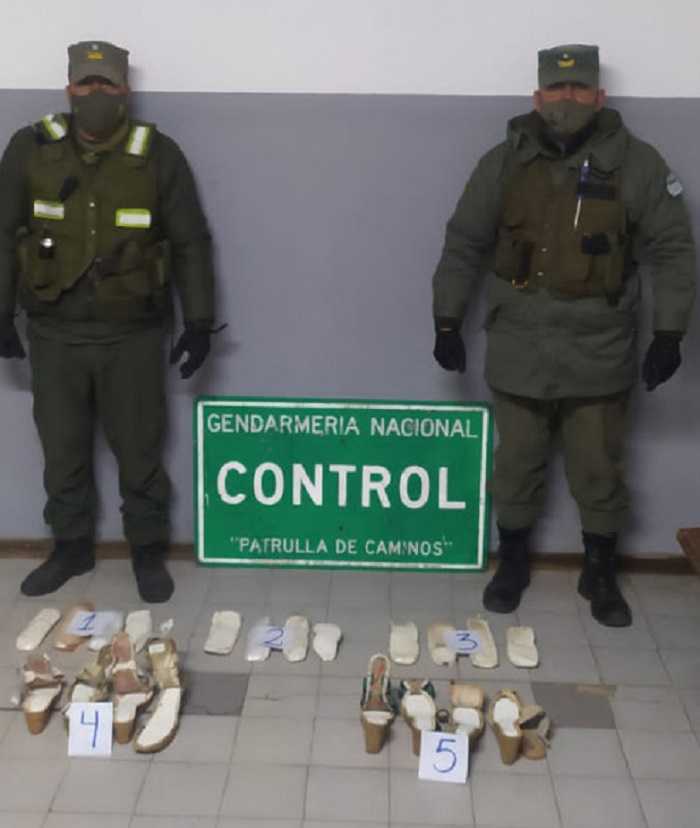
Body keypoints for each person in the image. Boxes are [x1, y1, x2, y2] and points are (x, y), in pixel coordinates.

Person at [432, 44, 696, 627]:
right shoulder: (503, 163)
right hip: (519, 343)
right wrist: (446, 319)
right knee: (516, 464)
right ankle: (513, 561)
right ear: (537, 97)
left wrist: (670, 331)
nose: (567, 99)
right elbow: (464, 243)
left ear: (600, 96)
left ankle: (599, 571)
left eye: (579, 89)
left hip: (599, 347)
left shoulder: (636, 164)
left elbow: (673, 249)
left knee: (598, 467)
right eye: (556, 88)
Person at [0, 41, 217, 602]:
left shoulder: (158, 155)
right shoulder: (30, 149)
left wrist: (199, 321)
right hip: (55, 333)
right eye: (86, 83)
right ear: (69, 88)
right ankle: (70, 548)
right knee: (62, 452)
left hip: (133, 335)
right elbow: (2, 233)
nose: (95, 93)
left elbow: (190, 242)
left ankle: (147, 551)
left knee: (141, 453)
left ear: (125, 90)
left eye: (107, 84)